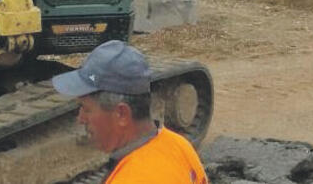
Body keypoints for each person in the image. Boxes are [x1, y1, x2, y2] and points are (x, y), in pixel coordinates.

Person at [52, 40, 208, 184]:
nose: (81, 118)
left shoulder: (134, 178)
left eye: (86, 109)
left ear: (121, 114)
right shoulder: (178, 145)